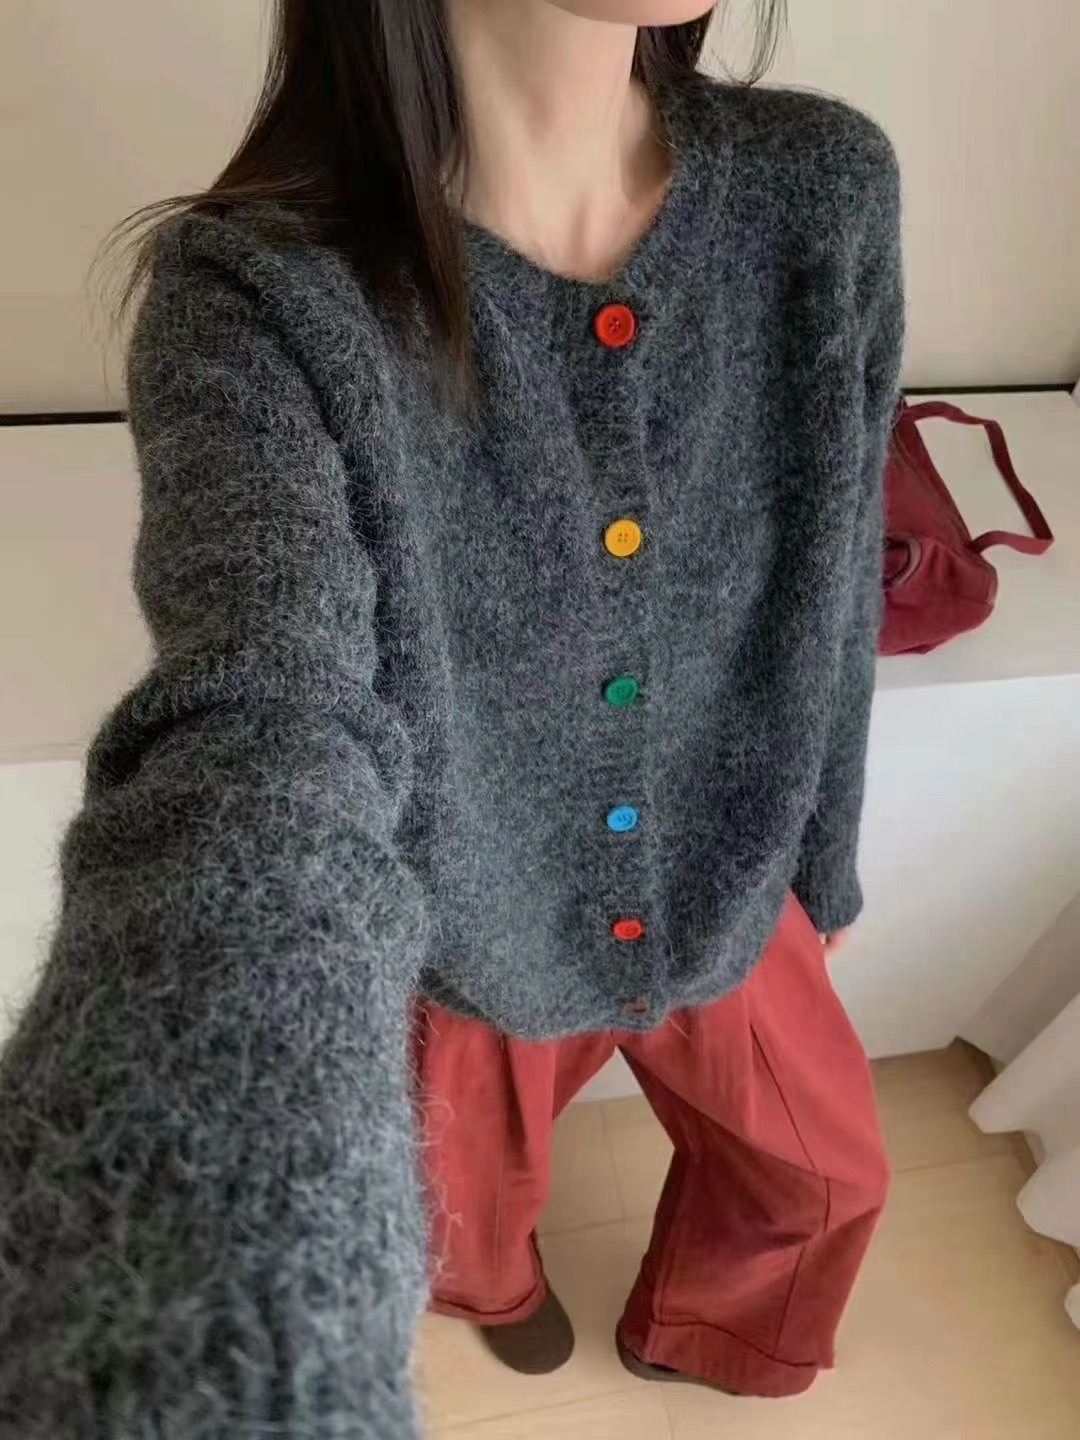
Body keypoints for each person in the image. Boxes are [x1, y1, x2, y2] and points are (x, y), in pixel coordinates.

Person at [0, 0, 905, 1433]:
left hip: (729, 871)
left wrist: (827, 861)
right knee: (465, 1217)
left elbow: (839, 567)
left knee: (826, 1174)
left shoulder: (823, 189)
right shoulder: (258, 293)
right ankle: (498, 1292)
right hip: (459, 923)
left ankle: (703, 1327)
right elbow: (260, 716)